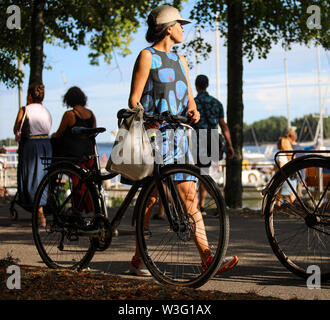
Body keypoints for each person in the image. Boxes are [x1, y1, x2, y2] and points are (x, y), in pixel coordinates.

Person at [127, 4, 238, 276]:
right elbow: (133, 99)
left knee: (190, 198)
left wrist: (194, 109)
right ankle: (139, 258)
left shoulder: (180, 61)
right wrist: (147, 117)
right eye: (180, 24)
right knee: (152, 199)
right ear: (168, 28)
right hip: (153, 138)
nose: (183, 28)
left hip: (178, 137)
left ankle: (208, 259)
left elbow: (188, 96)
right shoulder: (146, 57)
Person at [193, 74, 234, 215]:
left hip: (199, 140)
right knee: (206, 173)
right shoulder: (217, 103)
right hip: (214, 141)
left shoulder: (193, 103)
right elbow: (224, 126)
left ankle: (217, 203)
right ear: (207, 85)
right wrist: (230, 145)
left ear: (196, 86)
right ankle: (202, 205)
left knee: (197, 174)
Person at [51, 86, 97, 212]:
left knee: (76, 183)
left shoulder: (69, 114)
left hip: (73, 156)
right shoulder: (91, 114)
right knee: (87, 183)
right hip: (89, 155)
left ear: (68, 100)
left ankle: (77, 209)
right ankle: (89, 209)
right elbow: (93, 133)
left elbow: (59, 133)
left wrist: (52, 136)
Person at [13, 83, 52, 226]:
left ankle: (39, 212)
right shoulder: (46, 111)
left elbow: (16, 128)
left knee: (31, 176)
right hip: (46, 145)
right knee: (43, 177)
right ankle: (41, 208)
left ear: (29, 95)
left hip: (31, 145)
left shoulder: (25, 110)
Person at [276, 136, 297, 205]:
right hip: (293, 177)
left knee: (279, 196)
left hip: (284, 177)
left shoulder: (281, 154)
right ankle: (295, 210)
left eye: (278, 143)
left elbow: (281, 167)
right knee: (292, 195)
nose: (277, 144)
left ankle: (278, 209)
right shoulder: (291, 154)